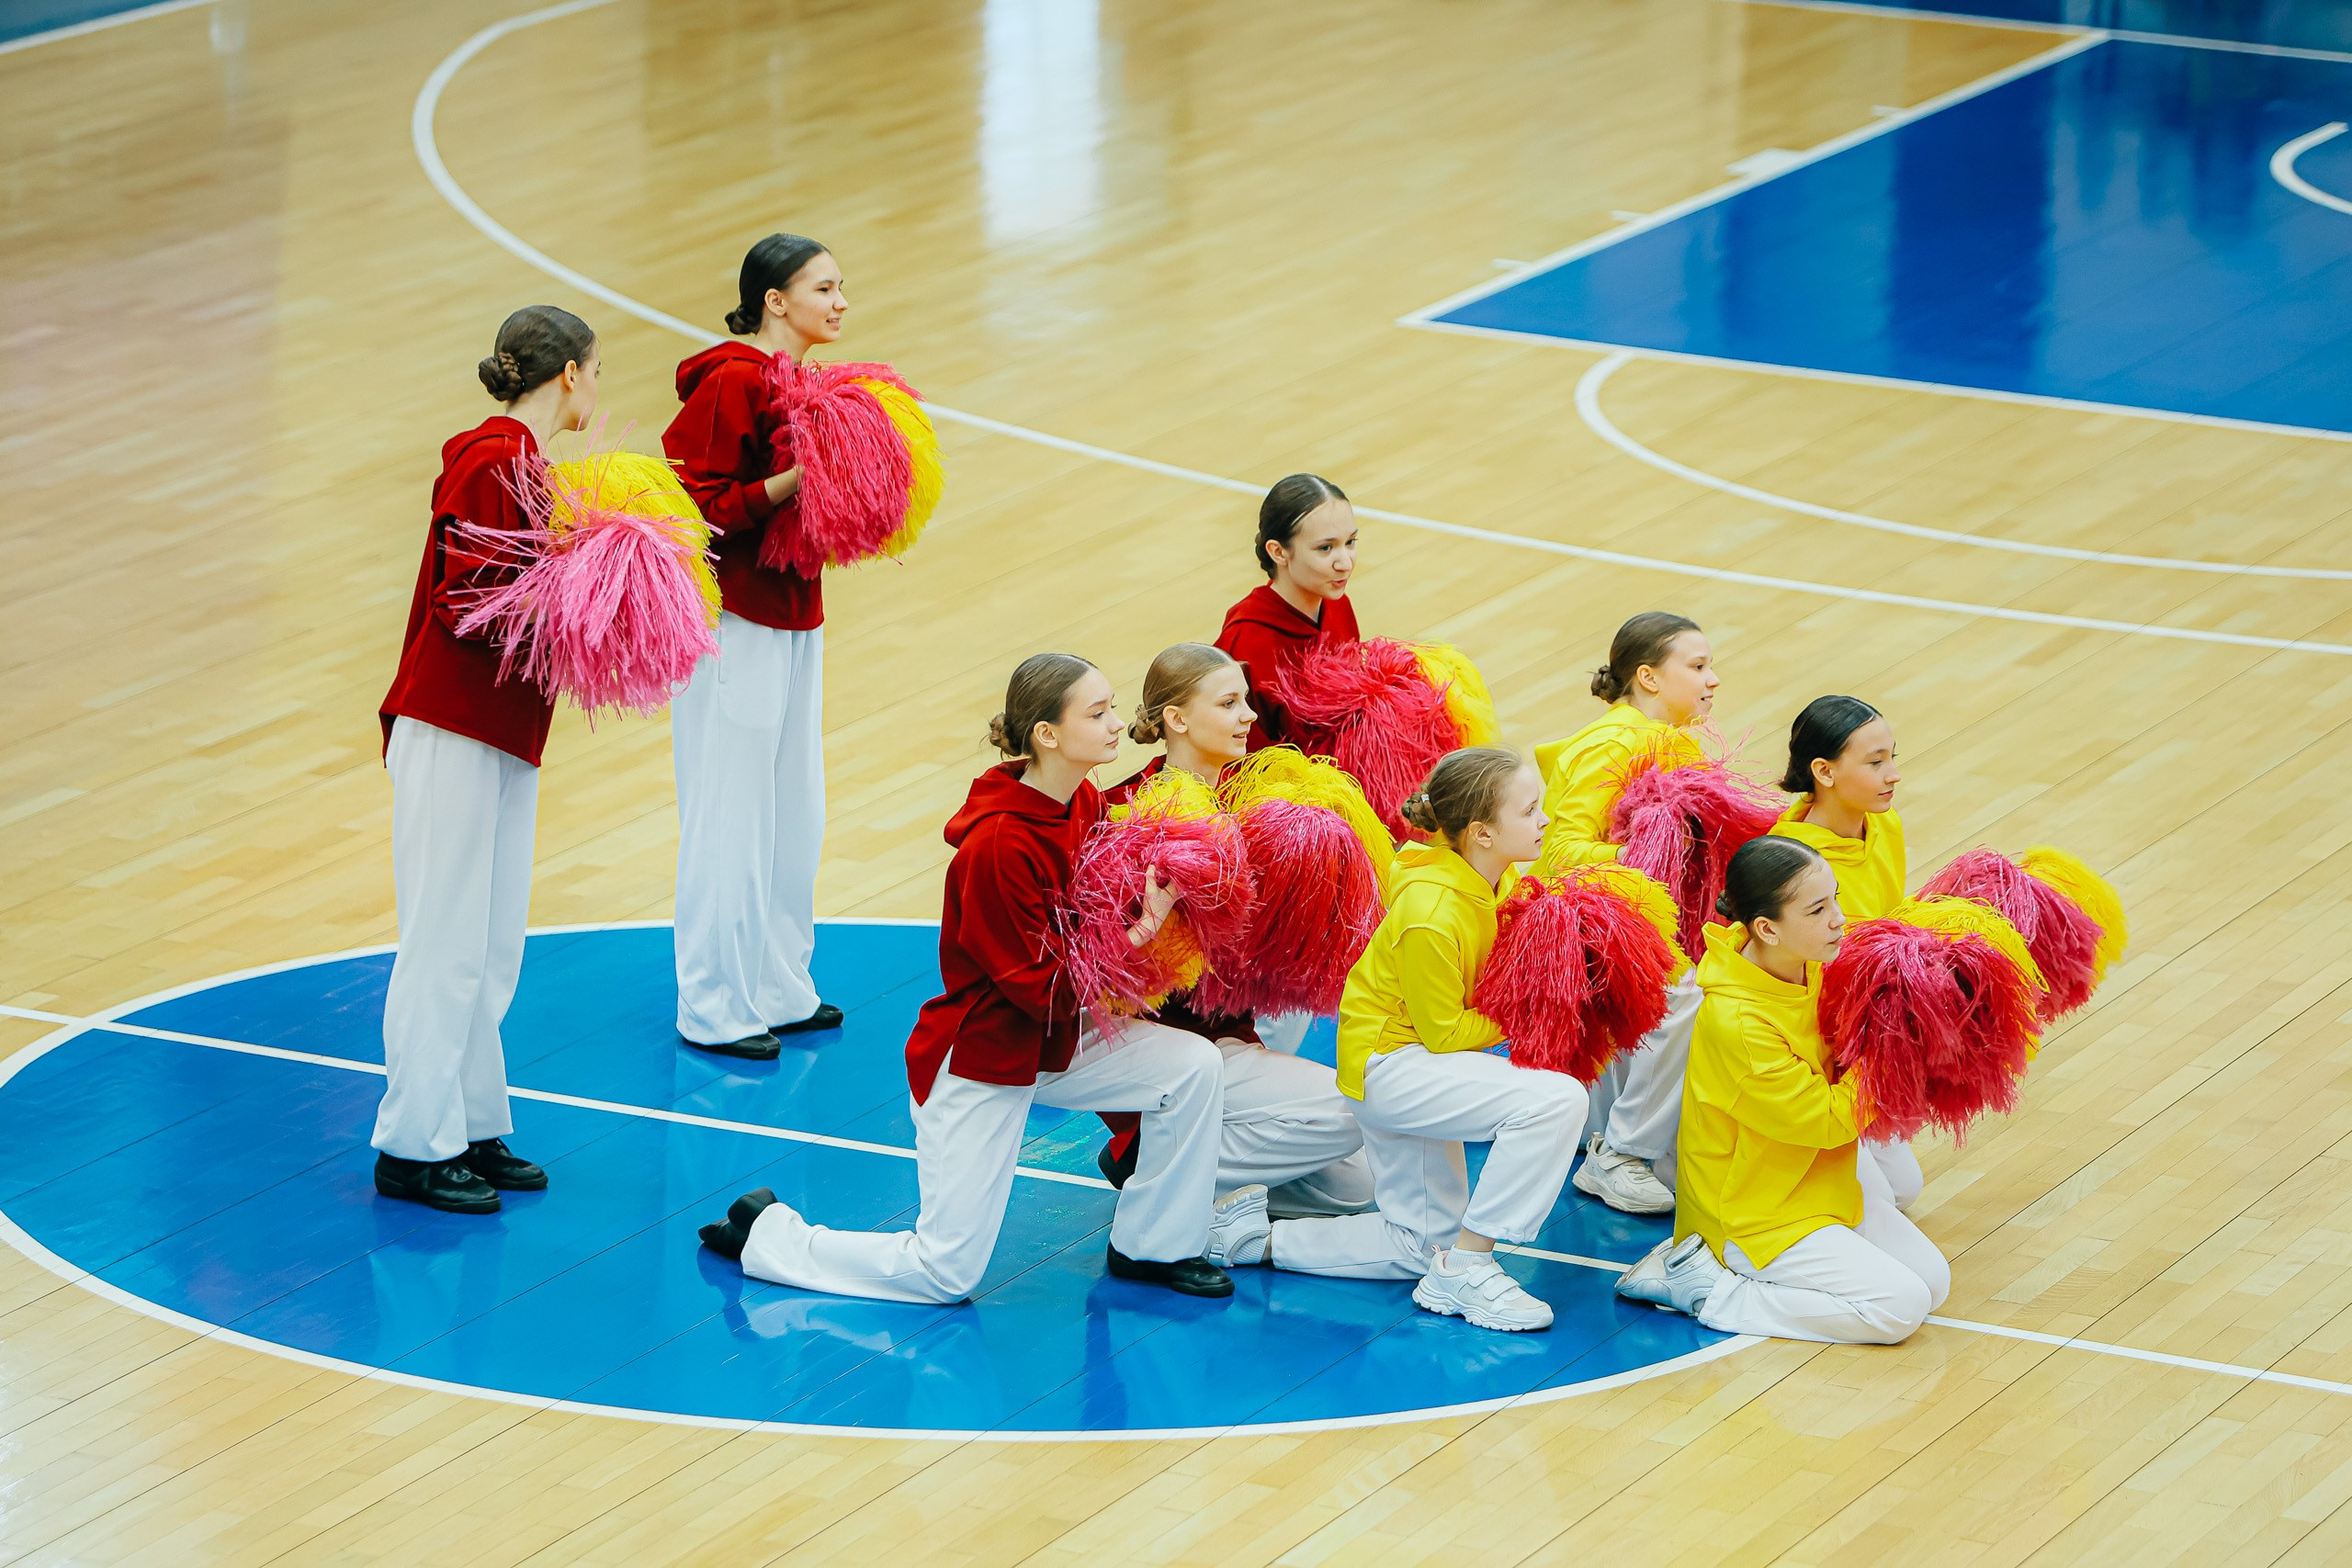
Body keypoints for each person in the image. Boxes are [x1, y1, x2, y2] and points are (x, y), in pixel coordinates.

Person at [696, 654, 1238, 1303]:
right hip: (984, 1054)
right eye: (1098, 713)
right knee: (943, 1272)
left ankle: (1156, 1245)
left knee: (1193, 1067)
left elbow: (1088, 930)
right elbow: (1041, 989)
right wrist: (1144, 933)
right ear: (1047, 734)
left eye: (1113, 706)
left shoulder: (1082, 800)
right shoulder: (997, 848)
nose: (1119, 724)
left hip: (1052, 1039)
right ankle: (768, 1233)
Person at [1211, 749, 1589, 1334]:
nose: (1546, 820)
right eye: (1531, 810)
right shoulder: (1431, 910)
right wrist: (1533, 1008)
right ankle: (1469, 1263)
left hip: (1407, 1065)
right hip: (1396, 1067)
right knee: (1556, 1100)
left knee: (1419, 1243)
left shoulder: (1496, 875)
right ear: (1482, 832)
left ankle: (1249, 1239)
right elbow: (1445, 1035)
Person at [373, 306, 599, 1213]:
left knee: (492, 938)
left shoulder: (525, 463)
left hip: (499, 727)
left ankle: (468, 1119)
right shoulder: (489, 456)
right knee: (444, 938)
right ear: (572, 376)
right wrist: (585, 588)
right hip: (452, 723)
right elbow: (468, 594)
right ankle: (411, 1142)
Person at [1615, 837, 1951, 1343]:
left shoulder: (1809, 961)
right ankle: (1705, 1286)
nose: (1839, 918)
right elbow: (1827, 1120)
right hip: (1754, 1216)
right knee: (1899, 1308)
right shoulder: (1739, 1023)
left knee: (1933, 1283)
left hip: (1819, 1186)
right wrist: (1890, 1049)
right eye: (1818, 909)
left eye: (1835, 897)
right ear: (1767, 928)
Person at [1092, 643, 1374, 1218]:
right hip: (1168, 1045)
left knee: (1360, 1190)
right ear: (1177, 718)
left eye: (1245, 700)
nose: (1248, 716)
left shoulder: (1260, 800)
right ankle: (1153, 1162)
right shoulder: (1124, 812)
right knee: (1353, 1114)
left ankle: (1190, 1173)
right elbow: (1120, 972)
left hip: (1232, 1035)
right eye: (1228, 703)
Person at [662, 233, 846, 1062]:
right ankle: (711, 1003)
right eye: (825, 288)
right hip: (732, 620)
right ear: (775, 300)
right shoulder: (733, 379)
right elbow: (693, 507)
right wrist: (797, 481)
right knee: (728, 812)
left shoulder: (809, 383)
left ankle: (777, 984)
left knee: (792, 810)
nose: (841, 302)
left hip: (795, 612)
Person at [1531, 611, 1717, 1215]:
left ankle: (1605, 1138)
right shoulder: (1616, 741)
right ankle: (1624, 1153)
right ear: (1649, 677)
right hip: (1573, 918)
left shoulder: (1675, 742)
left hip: (1621, 914)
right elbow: (1558, 851)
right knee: (1683, 993)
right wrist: (1647, 852)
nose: (1712, 679)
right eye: (1697, 666)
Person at [1769, 695, 1921, 1209]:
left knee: (1903, 1189)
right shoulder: (1790, 860)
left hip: (1865, 1029)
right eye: (1875, 762)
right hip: (1811, 1042)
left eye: (1893, 757)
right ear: (1824, 771)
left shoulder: (1885, 825)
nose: (1893, 774)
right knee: (1883, 1196)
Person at [1216, 474, 1360, 753]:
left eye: (1351, 542)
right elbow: (1235, 755)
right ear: (1278, 552)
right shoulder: (1246, 639)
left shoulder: (1338, 605)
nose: (1345, 562)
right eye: (1326, 548)